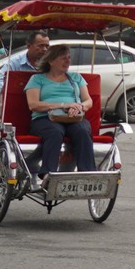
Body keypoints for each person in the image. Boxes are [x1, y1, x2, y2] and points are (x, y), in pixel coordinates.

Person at [24, 45, 96, 176]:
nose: (68, 61)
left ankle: (88, 173)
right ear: (51, 61)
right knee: (55, 132)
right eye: (63, 58)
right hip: (44, 118)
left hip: (73, 117)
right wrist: (62, 105)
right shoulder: (37, 79)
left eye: (69, 58)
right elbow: (33, 105)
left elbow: (88, 101)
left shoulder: (76, 77)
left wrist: (80, 106)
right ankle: (48, 174)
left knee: (82, 131)